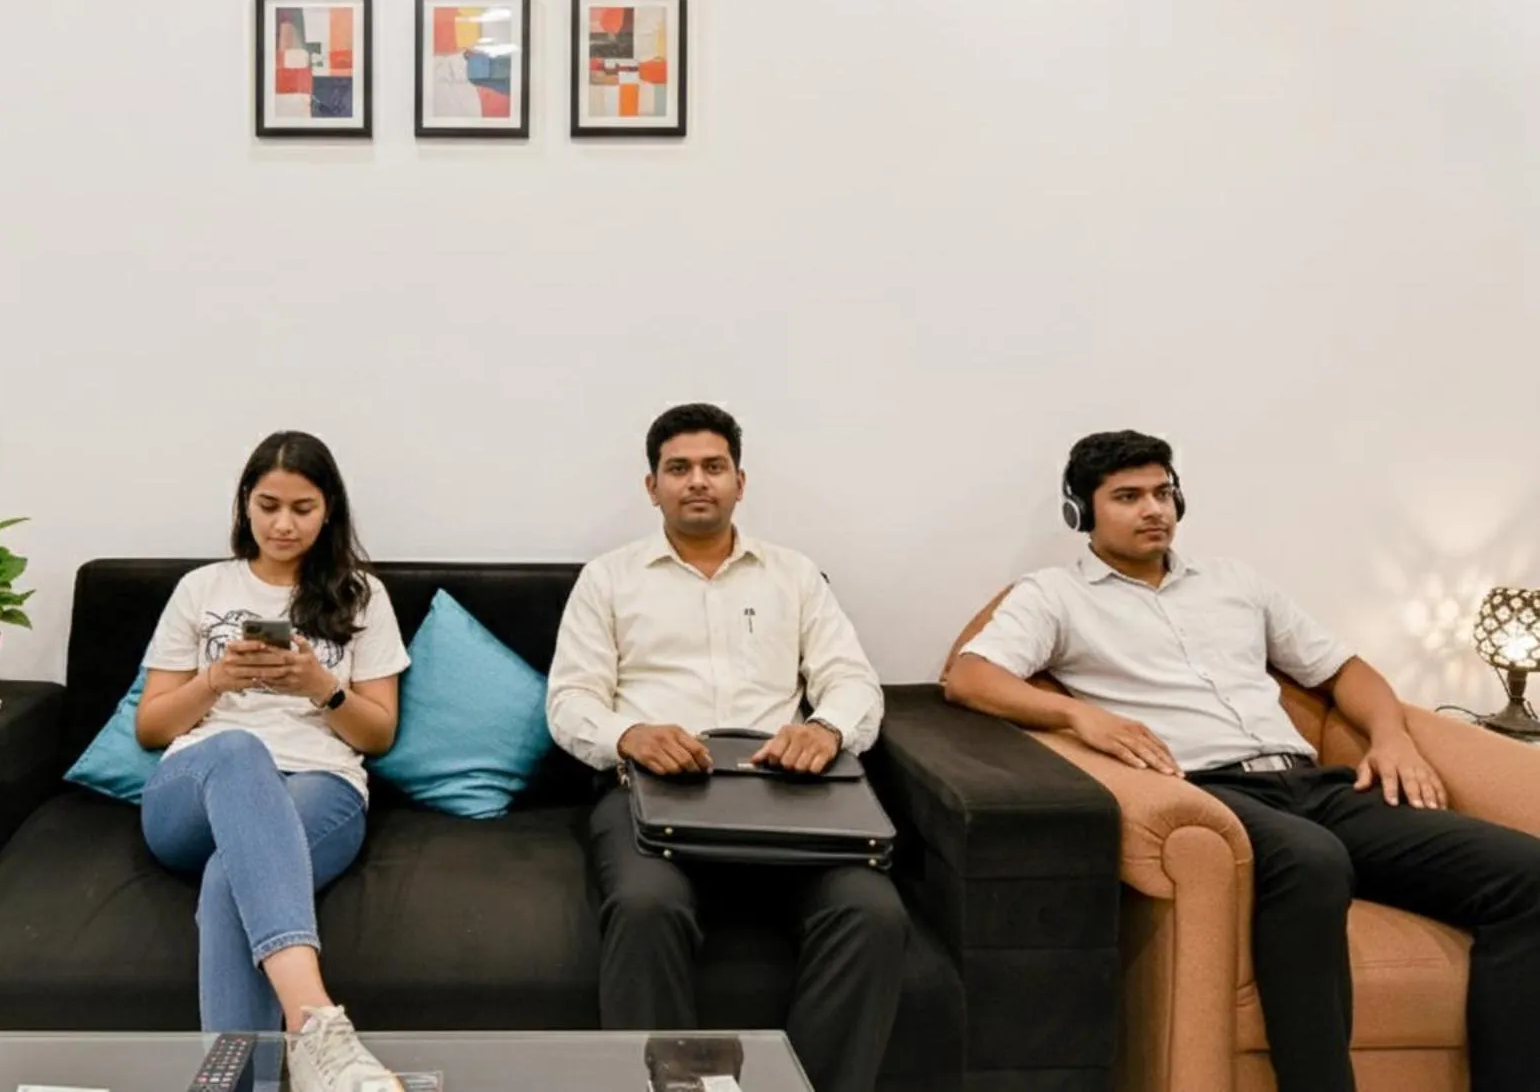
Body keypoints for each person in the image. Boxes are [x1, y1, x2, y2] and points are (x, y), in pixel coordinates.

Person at [944, 429, 1540, 1092]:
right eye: (1128, 496)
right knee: (1313, 860)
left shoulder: (1235, 583)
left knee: (1526, 875)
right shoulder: (1055, 595)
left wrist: (1391, 735)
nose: (1154, 509)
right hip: (1210, 792)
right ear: (1081, 512)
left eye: (1163, 492)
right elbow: (969, 676)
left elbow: (1344, 669)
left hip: (1316, 784)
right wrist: (1079, 715)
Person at [546, 403, 908, 1092]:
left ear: (740, 482)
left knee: (873, 912)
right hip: (655, 791)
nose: (697, 481)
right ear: (651, 486)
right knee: (645, 908)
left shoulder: (794, 574)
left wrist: (826, 729)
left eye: (713, 466)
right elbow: (570, 700)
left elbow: (852, 680)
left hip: (786, 792)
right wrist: (629, 734)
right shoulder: (608, 578)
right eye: (678, 468)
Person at [134, 431, 407, 1092]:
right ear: (245, 505)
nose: (284, 524)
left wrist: (322, 686)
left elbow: (377, 734)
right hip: (196, 788)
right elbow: (151, 726)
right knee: (239, 748)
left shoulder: (361, 595)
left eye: (303, 508)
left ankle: (240, 1085)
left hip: (320, 784)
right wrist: (214, 681)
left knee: (230, 873)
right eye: (269, 505)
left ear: (329, 510)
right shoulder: (202, 588)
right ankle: (317, 1026)